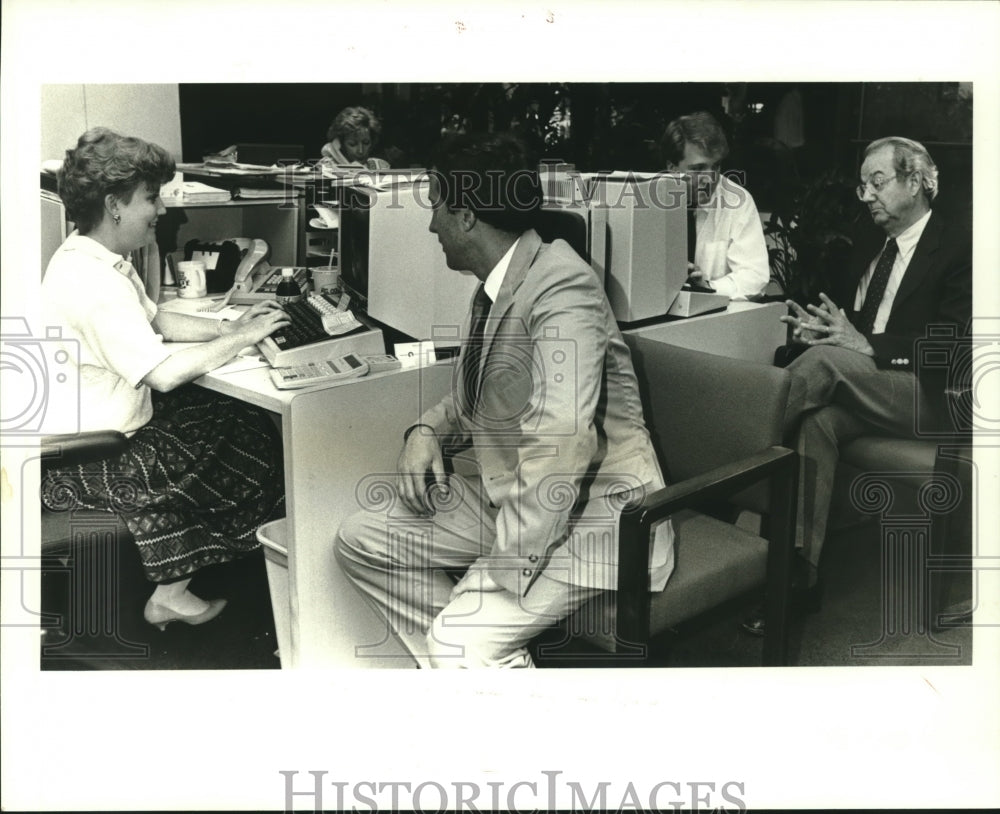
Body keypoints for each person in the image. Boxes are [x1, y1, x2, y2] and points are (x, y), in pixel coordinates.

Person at [335, 132, 674, 668]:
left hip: (593, 517)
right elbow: (476, 394)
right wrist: (426, 431)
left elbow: (561, 442)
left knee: (456, 643)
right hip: (517, 496)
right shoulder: (501, 280)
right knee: (362, 540)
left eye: (437, 208)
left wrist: (505, 565)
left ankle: (472, 662)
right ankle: (483, 665)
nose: (431, 225)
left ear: (466, 215)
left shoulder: (564, 287)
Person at [40, 128, 291, 631]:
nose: (161, 209)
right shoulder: (93, 283)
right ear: (114, 204)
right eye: (151, 198)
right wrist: (241, 341)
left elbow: (155, 320)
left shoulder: (92, 256)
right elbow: (166, 372)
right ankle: (172, 590)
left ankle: (172, 586)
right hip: (90, 458)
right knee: (249, 433)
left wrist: (233, 326)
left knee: (228, 414)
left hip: (104, 436)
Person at [741, 136, 972, 635]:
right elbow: (850, 327)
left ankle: (729, 459)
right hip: (871, 387)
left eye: (878, 182)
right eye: (862, 184)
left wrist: (867, 346)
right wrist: (826, 331)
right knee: (816, 424)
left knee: (822, 365)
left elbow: (954, 347)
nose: (865, 194)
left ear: (915, 182)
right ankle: (798, 580)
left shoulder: (962, 245)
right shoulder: (870, 243)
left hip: (931, 396)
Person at [662, 111, 770, 300]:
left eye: (716, 166)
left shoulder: (737, 201)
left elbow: (755, 277)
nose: (710, 178)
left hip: (718, 318)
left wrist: (708, 288)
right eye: (698, 169)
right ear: (672, 168)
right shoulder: (646, 202)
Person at [319, 106, 390, 171]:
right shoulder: (326, 168)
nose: (360, 151)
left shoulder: (380, 167)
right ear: (339, 144)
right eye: (352, 144)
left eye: (366, 143)